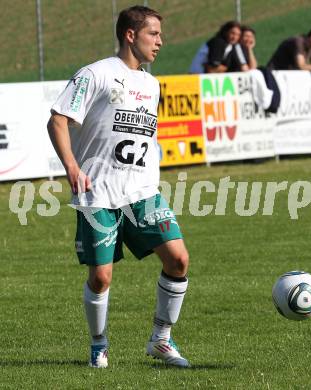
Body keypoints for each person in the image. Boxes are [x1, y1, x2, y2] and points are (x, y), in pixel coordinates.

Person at [47, 5, 190, 368]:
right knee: (101, 277)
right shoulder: (95, 74)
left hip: (143, 192)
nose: (160, 41)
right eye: (153, 34)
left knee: (178, 259)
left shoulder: (151, 83)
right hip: (99, 193)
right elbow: (58, 121)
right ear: (130, 35)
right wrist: (72, 167)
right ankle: (99, 343)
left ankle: (161, 340)